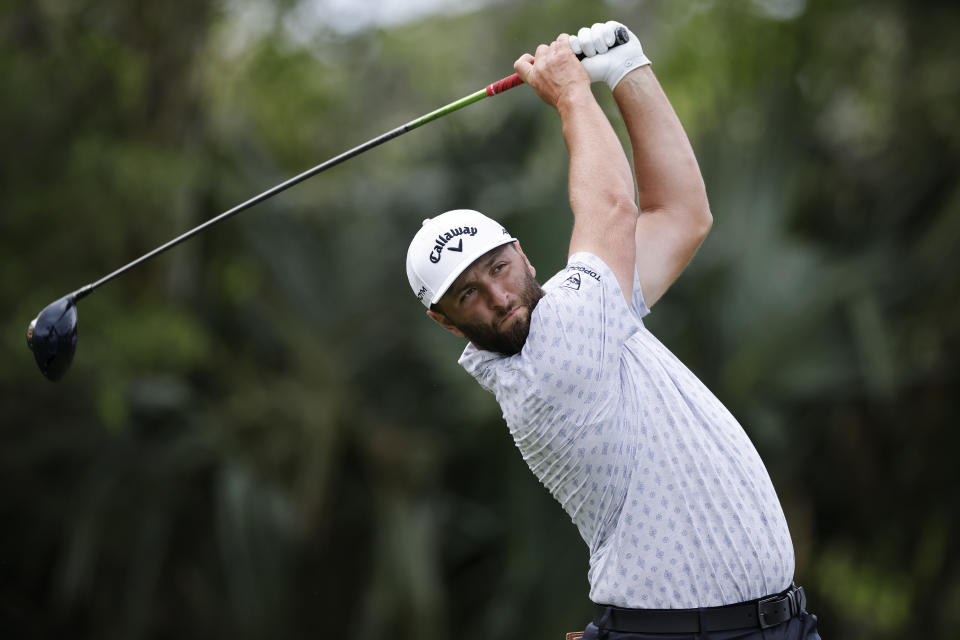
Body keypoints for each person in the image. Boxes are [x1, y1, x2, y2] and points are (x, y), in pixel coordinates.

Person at [405, 20, 821, 640]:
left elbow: (680, 215)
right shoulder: (549, 364)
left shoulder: (592, 319)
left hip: (772, 626)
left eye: (497, 268)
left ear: (523, 255)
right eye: (468, 294)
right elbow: (613, 209)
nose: (498, 296)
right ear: (445, 322)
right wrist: (572, 91)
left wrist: (629, 71)